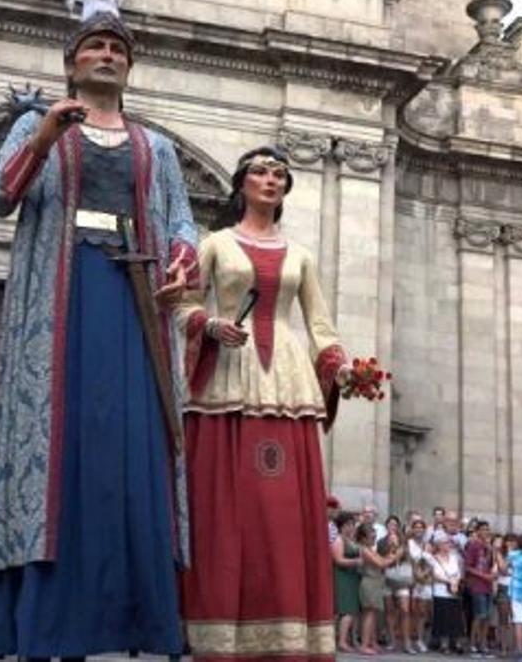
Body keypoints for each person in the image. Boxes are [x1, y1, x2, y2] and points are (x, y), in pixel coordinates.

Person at [0, 0, 198, 659]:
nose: (106, 55)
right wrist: (42, 134)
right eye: (95, 46)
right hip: (59, 298)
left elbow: (181, 217)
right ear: (72, 63)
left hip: (133, 296)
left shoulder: (156, 146)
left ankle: (118, 618)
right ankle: (42, 625)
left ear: (129, 67)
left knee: (127, 449)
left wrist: (182, 260)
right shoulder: (38, 125)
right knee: (57, 449)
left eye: (117, 49)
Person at [176, 144, 361, 661]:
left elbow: (321, 328)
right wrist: (209, 325)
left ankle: (286, 634)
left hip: (286, 379)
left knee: (280, 509)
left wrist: (343, 369)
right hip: (226, 379)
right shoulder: (212, 244)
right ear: (242, 184)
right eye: (260, 171)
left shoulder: (301, 256)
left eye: (280, 174)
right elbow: (182, 304)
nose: (271, 179)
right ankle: (215, 632)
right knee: (225, 506)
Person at [355, 523, 393, 654]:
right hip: (369, 583)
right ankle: (364, 645)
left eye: (374, 534)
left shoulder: (370, 549)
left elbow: (383, 559)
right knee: (369, 614)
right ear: (363, 538)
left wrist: (391, 554)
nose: (374, 537)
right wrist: (397, 555)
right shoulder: (364, 550)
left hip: (375, 583)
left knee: (373, 614)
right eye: (371, 535)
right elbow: (381, 563)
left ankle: (372, 642)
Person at [427, 533, 466, 654]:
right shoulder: (433, 558)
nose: (448, 545)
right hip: (440, 591)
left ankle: (456, 643)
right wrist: (448, 581)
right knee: (442, 618)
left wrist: (456, 581)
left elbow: (459, 571)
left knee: (456, 618)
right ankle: (444, 644)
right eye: (445, 543)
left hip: (454, 591)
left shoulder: (455, 557)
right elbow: (433, 575)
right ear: (438, 545)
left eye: (448, 543)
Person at [382, 519, 415, 653]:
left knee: (404, 610)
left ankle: (407, 642)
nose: (393, 527)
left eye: (395, 525)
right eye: (390, 524)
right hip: (387, 580)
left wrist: (397, 546)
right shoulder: (381, 542)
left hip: (402, 580)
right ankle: (392, 640)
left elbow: (406, 558)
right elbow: (381, 559)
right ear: (386, 526)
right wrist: (389, 548)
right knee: (389, 611)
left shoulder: (405, 543)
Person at [331, 512, 362, 652]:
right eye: (347, 525)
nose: (350, 527)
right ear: (341, 526)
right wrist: (357, 561)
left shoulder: (352, 540)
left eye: (352, 524)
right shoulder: (339, 540)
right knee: (347, 611)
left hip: (353, 577)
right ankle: (342, 641)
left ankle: (350, 639)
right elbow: (338, 560)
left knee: (353, 611)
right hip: (343, 577)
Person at [465, 520, 497, 656]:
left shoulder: (489, 547)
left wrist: (492, 552)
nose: (485, 532)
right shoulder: (473, 545)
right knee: (479, 615)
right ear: (477, 531)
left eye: (487, 529)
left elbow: (493, 565)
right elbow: (468, 567)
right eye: (482, 529)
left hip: (489, 585)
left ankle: (483, 644)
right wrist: (484, 576)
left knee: (487, 617)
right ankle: (472, 644)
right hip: (478, 585)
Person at [408, 517, 434, 654]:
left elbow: (432, 562)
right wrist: (417, 575)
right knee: (412, 611)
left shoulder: (427, 544)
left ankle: (420, 639)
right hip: (412, 579)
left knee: (423, 612)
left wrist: (424, 574)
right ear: (412, 529)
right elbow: (410, 561)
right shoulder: (408, 543)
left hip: (425, 580)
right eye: (416, 527)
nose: (418, 529)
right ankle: (410, 639)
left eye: (421, 527)